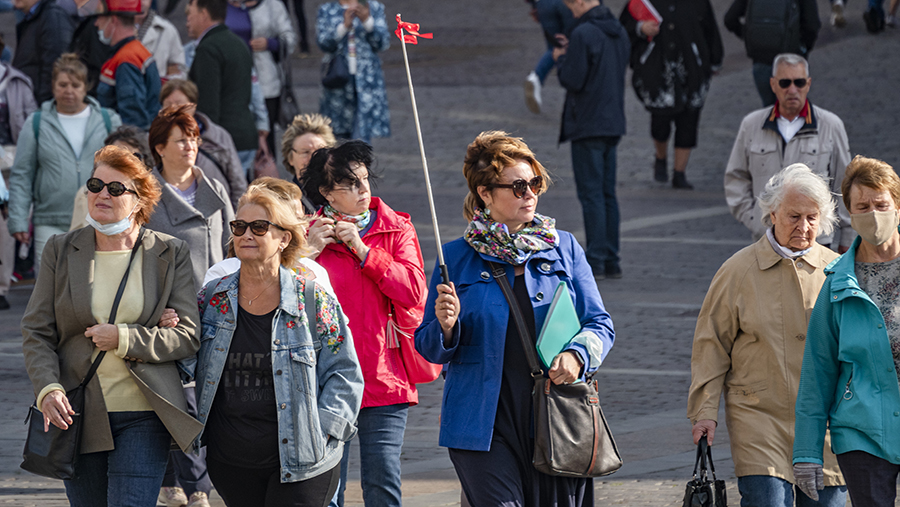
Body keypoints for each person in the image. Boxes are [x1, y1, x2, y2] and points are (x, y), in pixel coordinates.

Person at [414, 131, 615, 507]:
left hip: (556, 418)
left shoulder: (564, 248)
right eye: (518, 186)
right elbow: (427, 345)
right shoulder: (455, 257)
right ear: (485, 194)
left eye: (534, 183)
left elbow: (599, 324)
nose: (530, 194)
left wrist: (577, 356)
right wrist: (445, 327)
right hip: (481, 424)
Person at [21, 145, 203, 505]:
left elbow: (187, 336)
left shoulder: (169, 252)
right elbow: (37, 331)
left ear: (139, 200)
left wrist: (123, 338)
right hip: (78, 412)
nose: (102, 194)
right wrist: (48, 389)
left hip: (145, 412)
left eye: (116, 188)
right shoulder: (60, 249)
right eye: (95, 185)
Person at [192, 185, 363, 507]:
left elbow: (344, 372)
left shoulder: (313, 298)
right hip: (231, 460)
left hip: (304, 460)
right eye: (239, 226)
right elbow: (187, 359)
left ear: (284, 238)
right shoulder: (212, 298)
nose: (246, 235)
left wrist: (325, 430)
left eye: (259, 227)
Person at [688, 164, 847, 507]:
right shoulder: (737, 270)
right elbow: (711, 345)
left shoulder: (838, 272)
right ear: (772, 214)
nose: (803, 227)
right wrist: (704, 411)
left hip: (826, 423)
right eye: (794, 216)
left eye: (812, 217)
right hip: (758, 418)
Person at [303, 140, 426, 507]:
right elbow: (278, 297)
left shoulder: (396, 228)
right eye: (349, 183)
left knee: (383, 482)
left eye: (364, 179)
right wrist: (306, 254)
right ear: (326, 193)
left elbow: (413, 291)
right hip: (324, 379)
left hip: (383, 376)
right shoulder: (307, 233)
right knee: (326, 490)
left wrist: (366, 252)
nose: (362, 189)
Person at [793, 156, 900, 506]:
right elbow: (818, 371)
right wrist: (807, 452)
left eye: (881, 205)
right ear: (850, 214)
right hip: (861, 431)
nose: (874, 215)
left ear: (897, 207)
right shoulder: (837, 284)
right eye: (863, 207)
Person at [724, 53, 853, 253]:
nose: (792, 90)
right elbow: (736, 177)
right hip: (766, 241)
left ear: (808, 84)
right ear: (773, 84)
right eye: (785, 83)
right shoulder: (751, 125)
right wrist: (754, 219)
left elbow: (844, 184)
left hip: (815, 242)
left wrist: (848, 236)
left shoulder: (831, 125)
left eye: (799, 82)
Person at [8, 53, 122, 271]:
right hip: (49, 220)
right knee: (50, 284)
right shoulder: (37, 122)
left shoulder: (108, 120)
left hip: (98, 219)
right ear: (53, 86)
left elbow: (124, 170)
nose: (69, 90)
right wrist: (18, 219)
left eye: (75, 85)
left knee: (93, 284)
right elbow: (22, 174)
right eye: (62, 85)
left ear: (86, 87)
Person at [554, 0, 629, 280]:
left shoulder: (583, 33)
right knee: (607, 193)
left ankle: (596, 258)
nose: (570, 10)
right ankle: (612, 258)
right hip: (612, 120)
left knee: (592, 194)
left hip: (588, 121)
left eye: (571, 4)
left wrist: (561, 58)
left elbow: (573, 79)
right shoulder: (617, 29)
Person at [619, 0, 723, 189]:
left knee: (689, 120)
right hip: (658, 71)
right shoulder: (644, 1)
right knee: (660, 122)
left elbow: (710, 29)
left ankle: (679, 172)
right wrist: (641, 28)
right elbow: (623, 27)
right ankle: (660, 157)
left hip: (692, 70)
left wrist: (715, 59)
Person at [145, 104, 233, 291]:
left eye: (194, 140)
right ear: (160, 148)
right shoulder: (146, 194)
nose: (190, 147)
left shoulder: (215, 188)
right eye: (181, 141)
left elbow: (232, 245)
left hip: (217, 298)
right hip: (171, 300)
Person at [202, 176, 334, 293]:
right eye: (240, 226)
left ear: (285, 238)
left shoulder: (313, 272)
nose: (303, 228)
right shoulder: (222, 273)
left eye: (301, 219)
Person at [186, 0, 258, 174]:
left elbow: (208, 104)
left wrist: (203, 142)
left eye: (190, 14)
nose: (187, 20)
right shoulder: (237, 43)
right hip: (246, 134)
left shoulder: (209, 48)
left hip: (225, 140)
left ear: (204, 14)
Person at [160, 78, 247, 207]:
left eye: (179, 103)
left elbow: (238, 182)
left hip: (217, 211)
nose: (173, 109)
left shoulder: (218, 136)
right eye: (168, 104)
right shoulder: (155, 140)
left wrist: (236, 215)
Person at [224, 0, 295, 154]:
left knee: (266, 135)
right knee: (233, 137)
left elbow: (290, 39)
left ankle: (267, 167)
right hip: (230, 82)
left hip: (266, 82)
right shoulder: (220, 6)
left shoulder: (272, 5)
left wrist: (270, 43)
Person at [316, 0, 391, 142]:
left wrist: (367, 21)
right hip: (337, 80)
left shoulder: (373, 7)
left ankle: (359, 156)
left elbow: (383, 43)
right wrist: (343, 26)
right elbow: (323, 43)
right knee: (337, 135)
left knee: (361, 136)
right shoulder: (327, 9)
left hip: (367, 81)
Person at [723, 0, 820, 106]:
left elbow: (730, 19)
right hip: (791, 59)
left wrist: (749, 36)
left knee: (770, 108)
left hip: (761, 59)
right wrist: (802, 48)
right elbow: (812, 25)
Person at [92, 0, 161, 130]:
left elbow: (133, 120)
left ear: (113, 20)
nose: (96, 23)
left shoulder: (126, 60)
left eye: (100, 17)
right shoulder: (134, 52)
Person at [70, 125, 153, 232]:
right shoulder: (87, 193)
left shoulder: (159, 194)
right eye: (116, 156)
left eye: (133, 157)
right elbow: (77, 237)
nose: (124, 162)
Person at [12, 0, 74, 104]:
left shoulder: (52, 18)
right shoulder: (35, 18)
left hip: (39, 104)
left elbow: (56, 67)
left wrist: (44, 105)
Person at [523, 0, 575, 114]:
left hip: (544, 3)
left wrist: (534, 5)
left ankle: (536, 77)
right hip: (571, 4)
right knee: (575, 45)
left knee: (555, 47)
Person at [281, 113, 335, 214]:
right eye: (305, 152)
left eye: (320, 151)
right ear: (290, 158)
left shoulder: (344, 193)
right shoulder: (283, 201)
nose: (313, 157)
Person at [136, 0, 187, 80]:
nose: (141, 3)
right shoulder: (117, 28)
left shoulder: (167, 30)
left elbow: (180, 74)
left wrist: (160, 83)